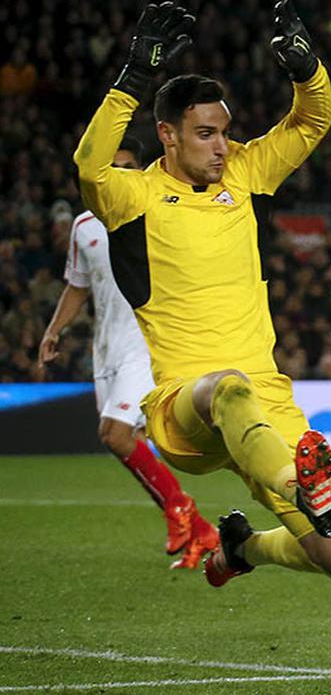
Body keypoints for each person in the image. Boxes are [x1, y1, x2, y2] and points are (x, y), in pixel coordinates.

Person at [73, 0, 331, 587]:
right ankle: (298, 484)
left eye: (226, 133)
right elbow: (90, 166)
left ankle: (242, 548)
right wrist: (135, 74)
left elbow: (311, 121)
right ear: (168, 135)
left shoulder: (245, 173)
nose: (222, 147)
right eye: (206, 134)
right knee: (227, 387)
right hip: (188, 407)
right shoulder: (134, 197)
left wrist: (308, 71)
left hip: (268, 404)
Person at [39, 138, 218, 570]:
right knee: (125, 441)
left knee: (115, 434)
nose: (118, 174)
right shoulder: (84, 226)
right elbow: (78, 285)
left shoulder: (155, 211)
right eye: (111, 167)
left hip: (148, 340)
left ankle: (179, 508)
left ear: (140, 171)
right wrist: (54, 329)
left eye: (126, 167)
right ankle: (201, 532)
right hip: (108, 347)